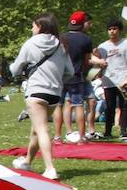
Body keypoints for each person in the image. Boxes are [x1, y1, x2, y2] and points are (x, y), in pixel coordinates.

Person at [9, 13, 73, 180]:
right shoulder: (61, 45)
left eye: (33, 25)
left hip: (36, 91)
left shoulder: (30, 44)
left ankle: (50, 168)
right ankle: (27, 162)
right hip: (54, 93)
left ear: (40, 26)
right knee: (36, 130)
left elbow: (15, 69)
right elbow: (70, 72)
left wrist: (13, 68)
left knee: (42, 130)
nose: (32, 28)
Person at [53, 12, 99, 144]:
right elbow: (87, 59)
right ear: (81, 24)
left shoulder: (61, 38)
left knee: (59, 105)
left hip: (61, 76)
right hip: (76, 76)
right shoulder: (86, 39)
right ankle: (82, 137)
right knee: (78, 105)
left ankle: (57, 137)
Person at [97, 19, 127, 140]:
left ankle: (123, 132)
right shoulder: (102, 46)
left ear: (120, 30)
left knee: (124, 106)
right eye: (109, 29)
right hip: (108, 80)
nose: (112, 31)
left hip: (123, 80)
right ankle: (107, 132)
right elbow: (98, 63)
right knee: (109, 107)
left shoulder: (125, 43)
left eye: (114, 29)